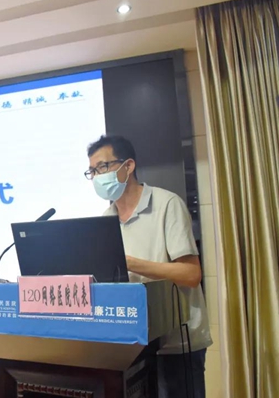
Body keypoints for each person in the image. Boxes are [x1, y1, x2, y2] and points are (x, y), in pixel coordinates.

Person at [85, 135, 213, 398]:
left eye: (102, 167)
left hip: (176, 343)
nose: (97, 176)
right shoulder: (105, 220)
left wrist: (132, 264)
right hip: (131, 344)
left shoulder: (167, 204)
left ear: (128, 165)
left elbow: (191, 274)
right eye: (92, 171)